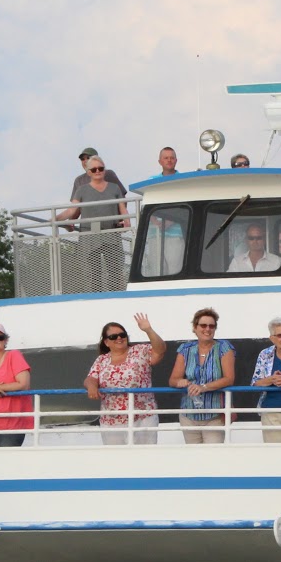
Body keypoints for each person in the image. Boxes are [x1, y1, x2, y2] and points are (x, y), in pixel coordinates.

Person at [84, 314, 166, 445]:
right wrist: (92, 386)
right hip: (111, 421)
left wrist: (148, 330)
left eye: (122, 335)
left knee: (144, 458)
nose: (119, 338)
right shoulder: (102, 360)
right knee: (116, 460)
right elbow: (91, 378)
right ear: (106, 342)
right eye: (113, 336)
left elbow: (160, 350)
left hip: (142, 418)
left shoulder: (140, 351)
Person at [167, 307, 236, 444]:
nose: (207, 329)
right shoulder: (185, 349)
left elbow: (229, 378)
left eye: (212, 326)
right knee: (193, 458)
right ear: (195, 327)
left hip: (214, 415)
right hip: (189, 415)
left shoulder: (224, 348)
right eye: (203, 325)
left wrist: (204, 387)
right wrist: (179, 382)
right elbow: (173, 380)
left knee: (213, 458)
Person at [60, 155, 129, 288]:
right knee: (94, 272)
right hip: (90, 237)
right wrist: (55, 219)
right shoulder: (81, 190)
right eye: (94, 169)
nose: (97, 171)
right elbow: (72, 211)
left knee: (114, 271)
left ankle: (113, 298)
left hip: (111, 235)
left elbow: (123, 208)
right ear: (88, 172)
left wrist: (126, 222)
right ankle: (96, 300)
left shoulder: (114, 188)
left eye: (100, 168)